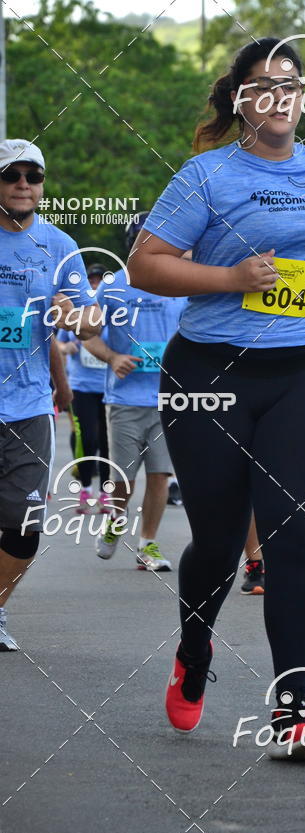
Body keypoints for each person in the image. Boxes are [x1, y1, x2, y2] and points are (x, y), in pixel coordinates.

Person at [127, 36, 305, 758]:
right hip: (208, 374)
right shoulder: (206, 176)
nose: (280, 97)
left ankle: (294, 709)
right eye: (263, 85)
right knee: (215, 539)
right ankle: (195, 647)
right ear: (240, 99)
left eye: (292, 84)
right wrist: (232, 278)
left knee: (292, 540)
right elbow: (146, 264)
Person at [0, 139, 100, 650]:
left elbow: (91, 320)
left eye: (32, 175)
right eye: (12, 174)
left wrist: (75, 318)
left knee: (24, 524)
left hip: (27, 408)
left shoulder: (59, 247)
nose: (22, 183)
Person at [83, 213, 186, 571]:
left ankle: (148, 545)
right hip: (124, 399)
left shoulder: (179, 285)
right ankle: (114, 523)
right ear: (133, 244)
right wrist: (112, 357)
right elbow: (88, 334)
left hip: (167, 398)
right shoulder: (112, 287)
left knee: (160, 475)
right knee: (122, 480)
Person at [56, 262, 111, 513]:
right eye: (91, 281)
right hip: (81, 386)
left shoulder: (113, 312)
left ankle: (105, 493)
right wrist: (68, 348)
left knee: (106, 441)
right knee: (88, 438)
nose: (95, 284)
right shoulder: (77, 311)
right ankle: (86, 488)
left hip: (109, 387)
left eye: (99, 280)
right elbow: (59, 344)